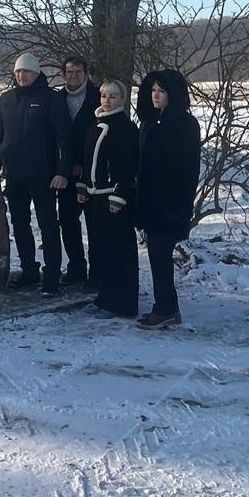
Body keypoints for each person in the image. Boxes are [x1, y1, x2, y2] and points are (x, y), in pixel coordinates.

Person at [0, 52, 72, 295]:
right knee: (20, 224)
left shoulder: (51, 99)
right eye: (18, 72)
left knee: (48, 225)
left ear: (36, 73)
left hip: (43, 174)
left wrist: (62, 171)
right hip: (14, 173)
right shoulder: (6, 100)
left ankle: (52, 276)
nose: (22, 76)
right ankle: (29, 271)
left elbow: (64, 138)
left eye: (27, 71)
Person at [134, 70, 202, 329]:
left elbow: (186, 169)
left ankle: (165, 309)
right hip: (151, 202)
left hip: (169, 203)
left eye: (161, 91)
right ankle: (167, 307)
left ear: (173, 95)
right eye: (152, 91)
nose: (155, 96)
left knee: (161, 257)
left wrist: (175, 202)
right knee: (156, 257)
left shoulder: (184, 124)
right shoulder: (152, 122)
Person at [77, 79, 139, 319]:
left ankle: (122, 303)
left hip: (113, 199)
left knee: (119, 251)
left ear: (122, 100)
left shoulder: (125, 128)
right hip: (95, 198)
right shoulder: (96, 125)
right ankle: (105, 297)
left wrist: (120, 194)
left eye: (112, 96)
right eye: (103, 95)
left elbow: (128, 165)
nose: (106, 100)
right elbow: (86, 159)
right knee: (101, 250)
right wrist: (83, 185)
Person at [56, 56, 100, 287]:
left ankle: (97, 272)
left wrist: (83, 162)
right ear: (63, 75)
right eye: (69, 72)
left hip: (93, 171)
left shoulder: (98, 96)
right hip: (65, 173)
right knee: (68, 222)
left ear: (86, 73)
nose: (73, 76)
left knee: (94, 224)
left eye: (78, 72)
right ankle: (76, 268)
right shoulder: (56, 99)